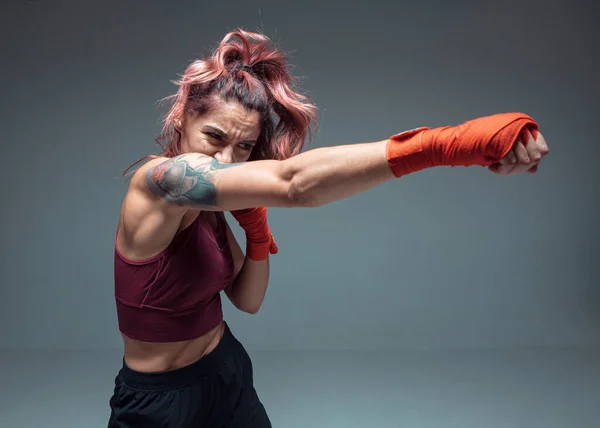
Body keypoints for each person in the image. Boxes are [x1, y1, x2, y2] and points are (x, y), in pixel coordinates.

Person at [107, 28, 549, 427]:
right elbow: (293, 183)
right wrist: (446, 145)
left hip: (225, 374)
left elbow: (247, 300)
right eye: (215, 138)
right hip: (160, 406)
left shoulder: (212, 206)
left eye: (244, 146)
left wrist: (257, 234)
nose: (226, 161)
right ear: (183, 118)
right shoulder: (160, 183)